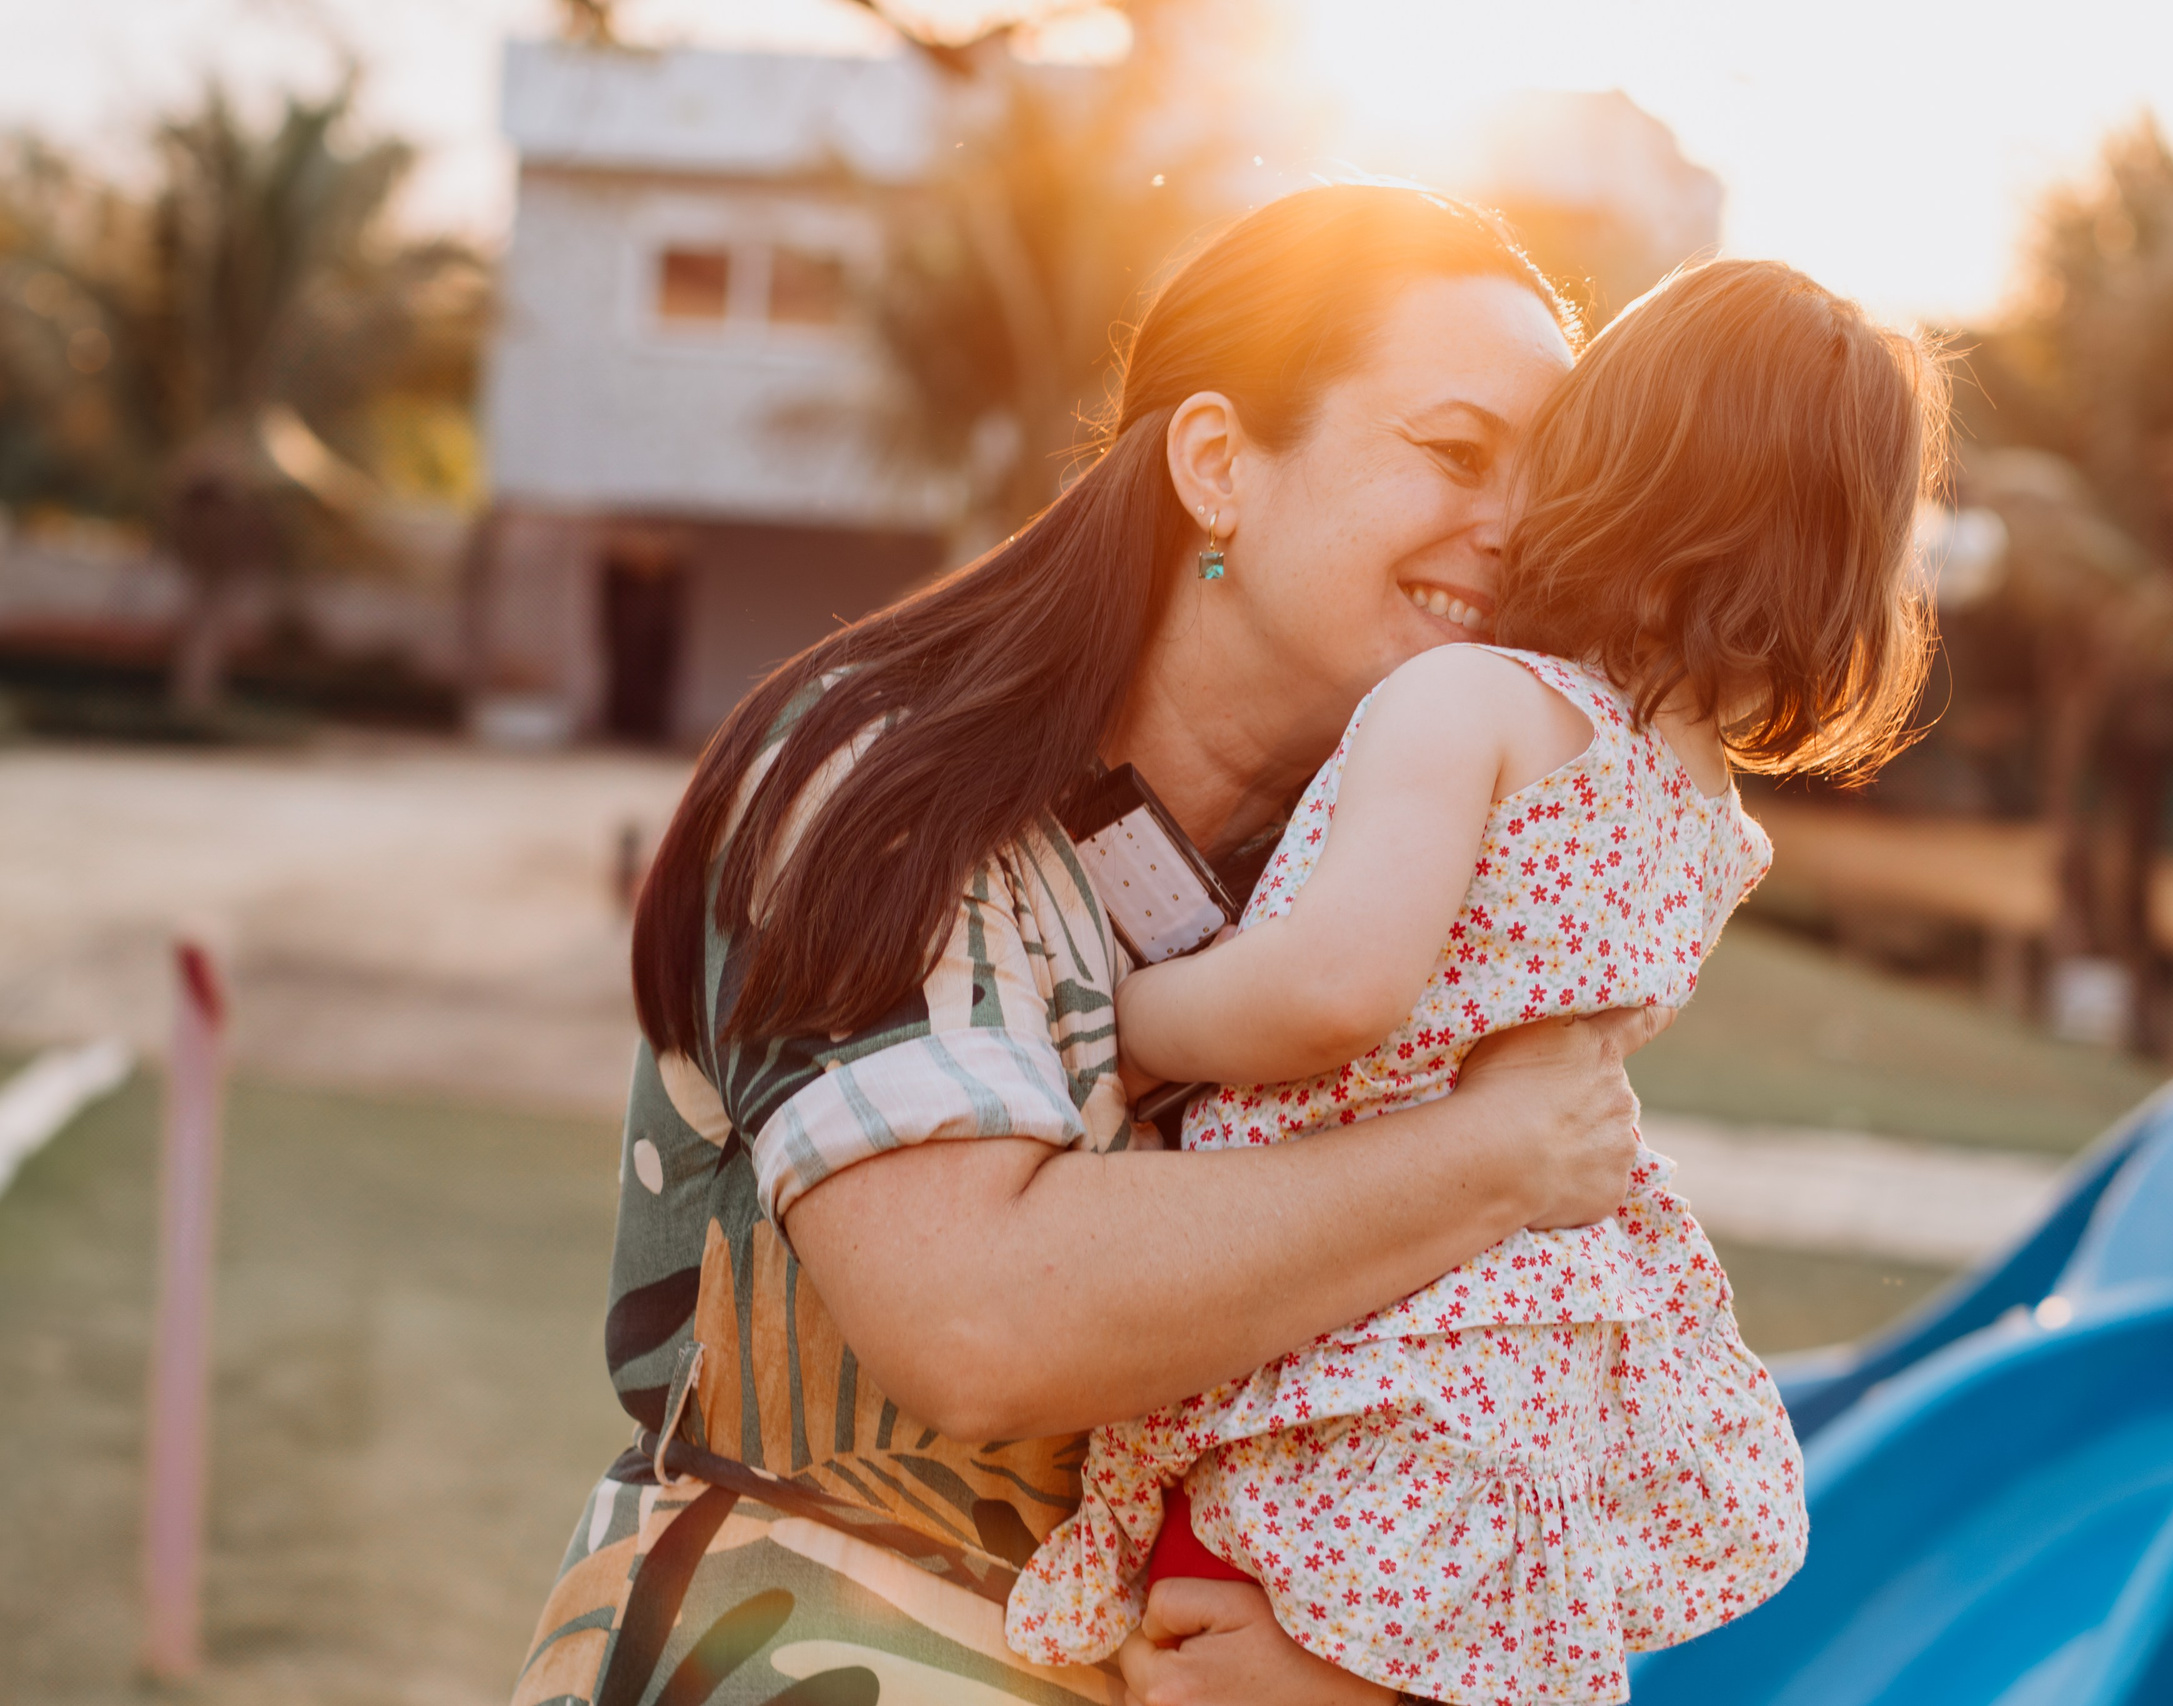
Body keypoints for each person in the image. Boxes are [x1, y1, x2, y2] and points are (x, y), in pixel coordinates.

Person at [509, 184, 1662, 1706]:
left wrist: (1353, 1669)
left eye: (1550, 488)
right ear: (1218, 464)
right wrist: (1490, 1158)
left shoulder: (1389, 906)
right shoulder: (886, 782)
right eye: (1457, 453)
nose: (1515, 532)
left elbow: (1484, 1388)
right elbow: (973, 1319)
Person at [1004, 260, 1947, 1704]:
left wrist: (1114, 1026)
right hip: (1510, 1363)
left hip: (1340, 1328)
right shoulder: (1708, 815)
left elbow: (1335, 989)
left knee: (1195, 1641)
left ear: (1611, 460)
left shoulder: (1474, 703)